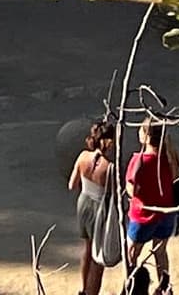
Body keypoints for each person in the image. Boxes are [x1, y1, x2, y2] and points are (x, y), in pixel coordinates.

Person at [122, 120, 179, 295]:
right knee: (160, 252)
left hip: (143, 215)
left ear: (146, 136)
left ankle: (134, 288)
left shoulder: (139, 160)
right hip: (166, 212)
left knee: (131, 254)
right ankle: (164, 287)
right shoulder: (169, 156)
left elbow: (132, 190)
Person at [69, 120, 129, 295]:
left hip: (83, 203)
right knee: (98, 257)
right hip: (99, 210)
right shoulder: (110, 168)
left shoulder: (82, 157)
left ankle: (83, 288)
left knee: (87, 249)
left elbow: (72, 185)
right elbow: (117, 196)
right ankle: (91, 292)